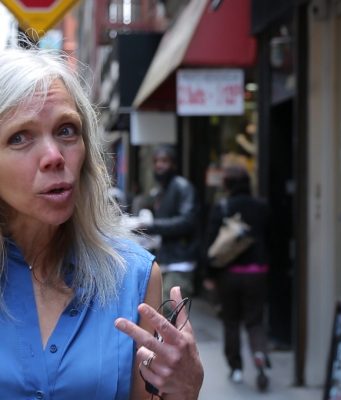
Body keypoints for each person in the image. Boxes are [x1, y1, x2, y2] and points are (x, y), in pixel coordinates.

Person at [0, 45, 203, 400]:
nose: (53, 156)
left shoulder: (134, 277)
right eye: (20, 137)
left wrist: (182, 391)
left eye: (66, 131)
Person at [206, 164, 271, 392]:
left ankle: (236, 368)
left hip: (229, 275)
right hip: (257, 273)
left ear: (227, 185)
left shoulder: (222, 207)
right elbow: (272, 238)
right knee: (255, 320)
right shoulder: (262, 207)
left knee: (230, 321)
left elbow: (212, 244)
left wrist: (210, 275)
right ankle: (260, 356)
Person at [140, 145, 200, 302]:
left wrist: (151, 226)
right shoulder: (161, 191)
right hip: (165, 261)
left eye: (164, 161)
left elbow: (187, 221)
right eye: (156, 161)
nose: (159, 165)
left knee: (171, 311)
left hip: (180, 262)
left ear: (173, 164)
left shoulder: (182, 186)